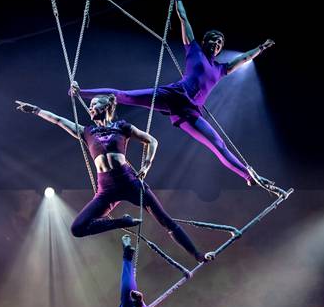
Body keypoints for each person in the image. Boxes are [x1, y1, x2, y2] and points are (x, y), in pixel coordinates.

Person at [70, 0, 283, 196]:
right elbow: (184, 19)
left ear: (220, 49)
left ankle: (248, 176)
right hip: (172, 95)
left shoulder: (221, 69)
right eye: (213, 39)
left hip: (190, 112)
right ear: (205, 41)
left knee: (219, 146)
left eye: (220, 42)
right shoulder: (194, 50)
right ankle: (82, 91)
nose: (217, 43)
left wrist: (261, 48)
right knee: (124, 95)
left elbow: (244, 58)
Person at [16, 95, 211, 263]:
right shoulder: (87, 132)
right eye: (90, 105)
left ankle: (197, 255)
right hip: (106, 190)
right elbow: (58, 120)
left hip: (131, 183)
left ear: (107, 107)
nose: (91, 107)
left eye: (95, 104)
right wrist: (35, 110)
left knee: (166, 221)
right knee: (78, 228)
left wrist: (146, 165)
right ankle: (121, 222)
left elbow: (151, 140)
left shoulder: (122, 127)